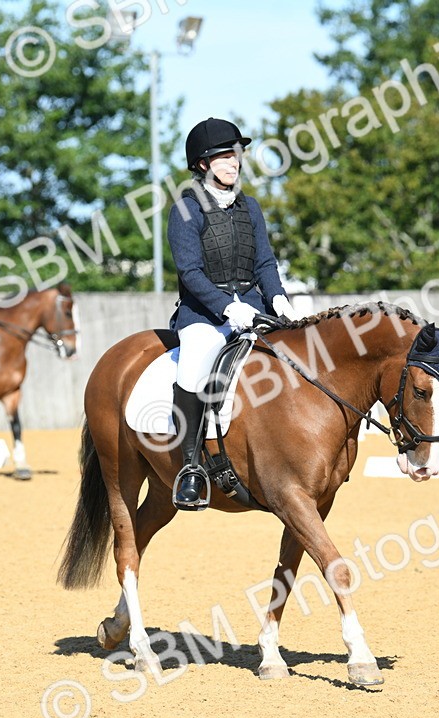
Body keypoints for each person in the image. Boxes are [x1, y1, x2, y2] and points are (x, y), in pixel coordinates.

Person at [167, 117, 301, 510]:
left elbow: (265, 263)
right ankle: (190, 468)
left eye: (236, 153)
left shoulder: (250, 207)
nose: (235, 161)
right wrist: (226, 307)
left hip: (254, 309)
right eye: (225, 155)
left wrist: (278, 299)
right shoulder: (185, 209)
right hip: (203, 315)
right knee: (194, 367)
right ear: (203, 164)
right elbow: (189, 272)